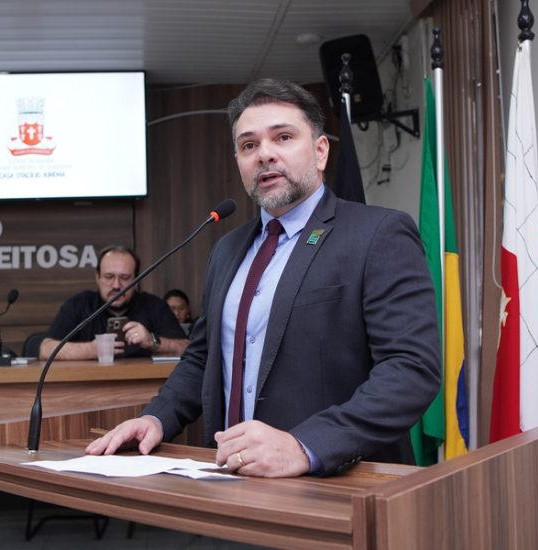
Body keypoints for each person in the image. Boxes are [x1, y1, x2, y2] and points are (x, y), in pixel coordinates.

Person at [86, 79, 441, 478]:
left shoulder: (377, 234)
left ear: (320, 151)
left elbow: (411, 370)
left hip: (339, 484)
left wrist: (306, 446)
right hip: (230, 479)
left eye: (283, 137)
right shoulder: (227, 249)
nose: (265, 154)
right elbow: (203, 359)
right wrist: (156, 418)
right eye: (248, 145)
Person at [39, 245, 188, 360]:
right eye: (109, 277)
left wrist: (152, 341)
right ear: (98, 277)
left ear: (136, 281)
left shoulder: (154, 305)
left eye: (125, 278)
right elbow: (45, 350)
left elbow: (187, 348)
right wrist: (92, 349)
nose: (116, 285)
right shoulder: (79, 304)